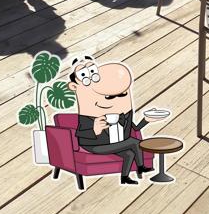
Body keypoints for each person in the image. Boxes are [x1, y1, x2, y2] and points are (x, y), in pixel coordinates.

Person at [67, 56, 163, 184]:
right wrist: (94, 130)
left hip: (114, 143)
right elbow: (80, 135)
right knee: (134, 142)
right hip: (95, 146)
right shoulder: (89, 117)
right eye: (108, 96)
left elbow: (135, 128)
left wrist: (146, 120)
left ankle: (125, 178)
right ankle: (141, 167)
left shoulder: (123, 115)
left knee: (129, 154)